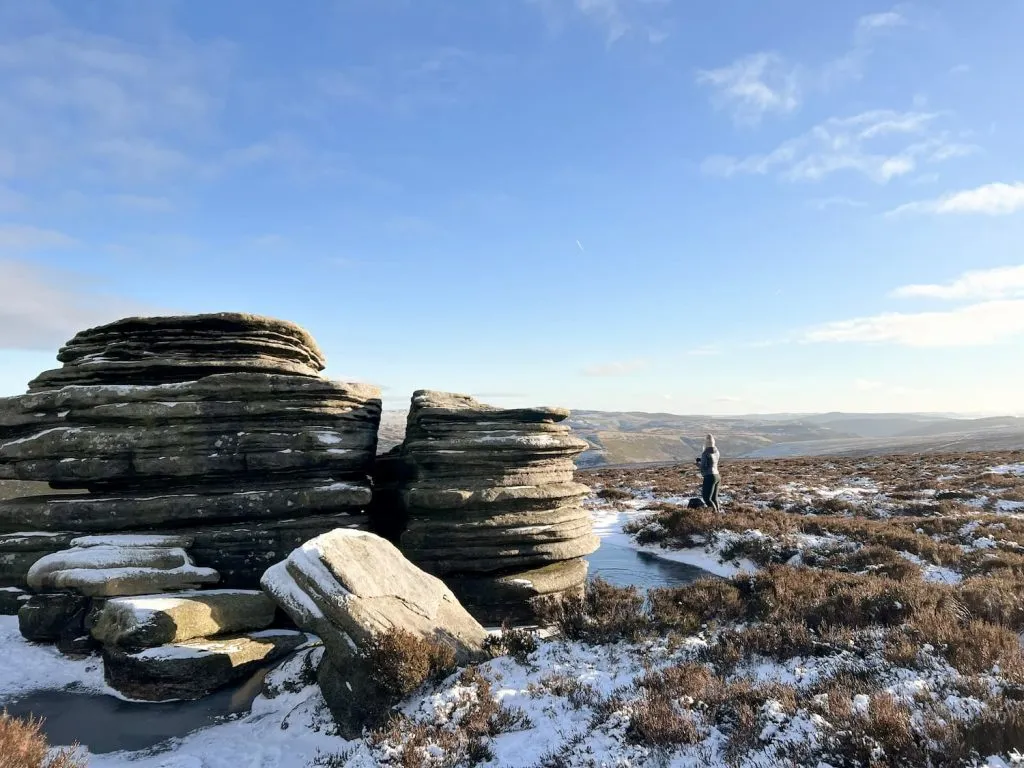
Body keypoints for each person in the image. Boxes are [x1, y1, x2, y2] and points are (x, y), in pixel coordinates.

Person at [696, 433, 721, 512]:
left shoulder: (705, 453)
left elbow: (704, 467)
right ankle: (718, 514)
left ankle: (715, 515)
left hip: (709, 477)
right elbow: (712, 462)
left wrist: (698, 464)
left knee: (707, 498)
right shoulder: (716, 452)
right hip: (717, 475)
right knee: (714, 498)